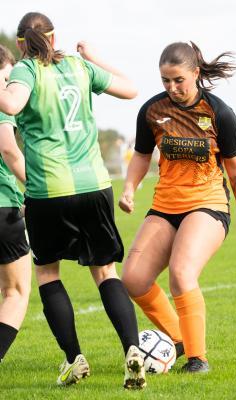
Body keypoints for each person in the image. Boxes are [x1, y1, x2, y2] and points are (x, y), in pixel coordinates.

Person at [0, 12, 146, 389]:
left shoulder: (25, 71)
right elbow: (132, 89)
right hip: (95, 185)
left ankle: (74, 358)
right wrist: (94, 56)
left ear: (21, 44)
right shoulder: (81, 68)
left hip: (48, 190)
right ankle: (132, 348)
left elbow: (12, 106)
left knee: (49, 273)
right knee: (105, 272)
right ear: (54, 36)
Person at [119, 41, 236, 373]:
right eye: (166, 81)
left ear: (195, 73)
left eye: (178, 80)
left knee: (182, 273)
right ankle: (179, 339)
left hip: (208, 204)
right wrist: (128, 188)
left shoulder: (218, 112)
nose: (172, 87)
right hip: (165, 205)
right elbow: (141, 155)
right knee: (133, 278)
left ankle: (198, 359)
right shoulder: (152, 111)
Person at [0, 45, 31, 363]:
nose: (11, 85)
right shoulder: (2, 106)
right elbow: (8, 150)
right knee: (16, 292)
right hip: (3, 208)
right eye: (8, 76)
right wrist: (33, 188)